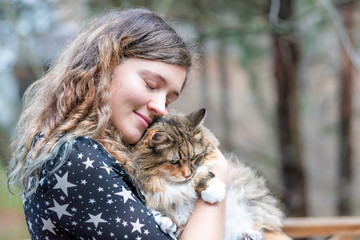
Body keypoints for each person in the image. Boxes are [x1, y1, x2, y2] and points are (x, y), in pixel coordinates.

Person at [7, 8, 229, 240]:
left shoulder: (93, 154)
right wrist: (218, 173)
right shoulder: (76, 158)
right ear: (105, 67)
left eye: (169, 99)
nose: (161, 108)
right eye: (151, 85)